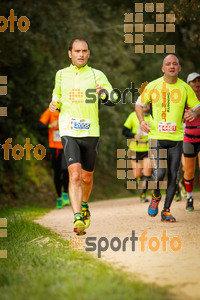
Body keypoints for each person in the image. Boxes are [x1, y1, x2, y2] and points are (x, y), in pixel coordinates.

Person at [49, 38, 115, 234]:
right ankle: (77, 217)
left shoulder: (97, 74)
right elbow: (56, 95)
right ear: (70, 53)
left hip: (91, 131)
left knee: (87, 177)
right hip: (69, 130)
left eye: (84, 51)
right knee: (75, 175)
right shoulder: (61, 74)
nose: (81, 54)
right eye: (77, 51)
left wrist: (103, 94)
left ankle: (84, 204)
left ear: (88, 53)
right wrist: (55, 103)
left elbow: (114, 98)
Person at [135, 55, 200, 222]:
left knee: (173, 174)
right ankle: (156, 196)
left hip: (177, 138)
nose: (172, 66)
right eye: (168, 64)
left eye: (175, 63)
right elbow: (138, 103)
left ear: (179, 68)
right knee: (160, 172)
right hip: (156, 137)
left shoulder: (186, 88)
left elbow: (197, 106)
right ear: (163, 68)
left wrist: (194, 112)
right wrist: (142, 121)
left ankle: (166, 210)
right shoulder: (153, 85)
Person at [39, 108, 70, 208]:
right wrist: (50, 125)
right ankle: (59, 197)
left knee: (66, 170)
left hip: (66, 146)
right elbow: (39, 125)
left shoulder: (69, 110)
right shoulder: (50, 111)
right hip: (54, 147)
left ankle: (65, 192)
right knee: (57, 173)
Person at [122, 103, 153, 202]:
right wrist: (134, 135)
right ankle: (148, 183)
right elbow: (124, 131)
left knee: (147, 171)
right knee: (137, 175)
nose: (145, 106)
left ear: (149, 105)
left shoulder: (153, 116)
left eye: (147, 104)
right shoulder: (132, 115)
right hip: (134, 148)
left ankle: (143, 194)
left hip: (149, 148)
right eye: (142, 104)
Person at [182, 72, 200, 211]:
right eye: (194, 82)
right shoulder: (183, 99)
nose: (197, 84)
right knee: (189, 172)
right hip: (188, 137)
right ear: (189, 84)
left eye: (199, 81)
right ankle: (189, 197)